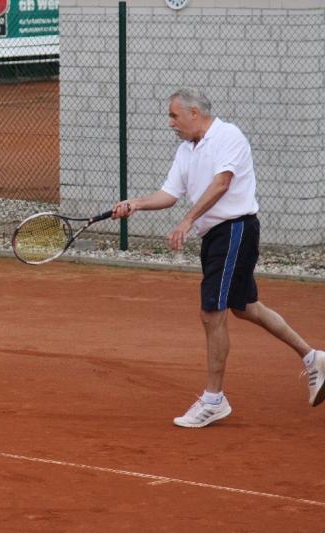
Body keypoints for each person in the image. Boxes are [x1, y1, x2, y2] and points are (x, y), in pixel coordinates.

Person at [111, 88, 325, 428]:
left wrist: (187, 221)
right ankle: (313, 358)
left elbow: (222, 183)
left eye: (174, 116)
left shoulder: (228, 136)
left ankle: (214, 399)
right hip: (216, 236)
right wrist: (135, 203)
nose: (170, 123)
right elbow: (169, 193)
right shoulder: (186, 150)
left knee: (212, 312)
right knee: (246, 307)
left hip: (234, 229)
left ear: (194, 113)